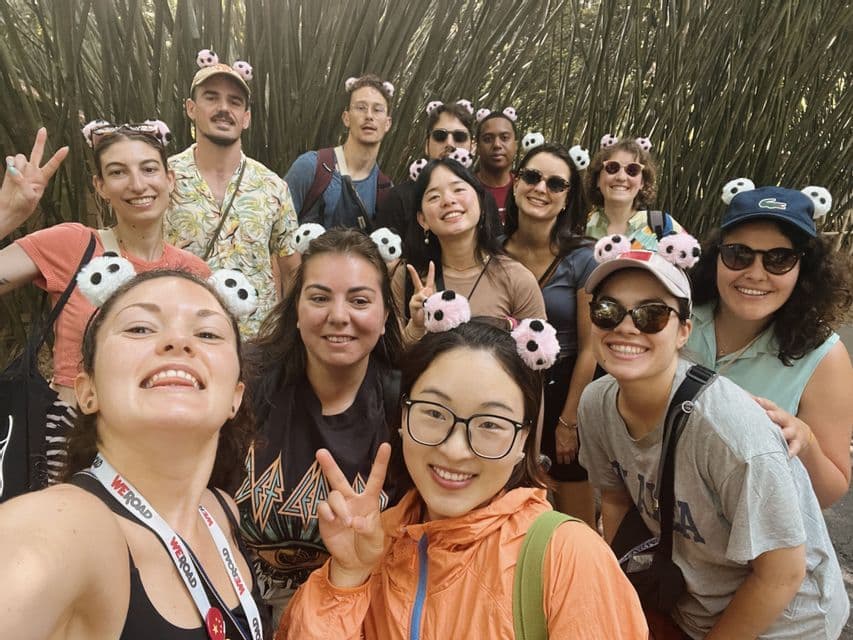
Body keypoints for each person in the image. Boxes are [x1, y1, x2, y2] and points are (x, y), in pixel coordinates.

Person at [279, 318, 648, 639]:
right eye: (434, 413)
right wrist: (347, 577)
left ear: (523, 440)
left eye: (490, 424)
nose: (455, 450)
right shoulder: (376, 541)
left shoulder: (568, 557)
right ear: (402, 417)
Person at [577, 247, 848, 639]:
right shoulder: (596, 404)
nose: (626, 327)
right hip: (690, 599)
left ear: (683, 332)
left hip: (784, 622)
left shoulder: (728, 431)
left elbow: (782, 574)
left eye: (652, 314)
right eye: (608, 311)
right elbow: (617, 501)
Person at [0, 270, 267, 639]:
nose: (178, 341)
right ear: (87, 391)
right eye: (140, 328)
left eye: (207, 334)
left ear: (235, 397)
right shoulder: (65, 526)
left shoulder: (222, 512)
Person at [1, 126, 209, 479]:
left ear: (170, 179)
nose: (137, 184)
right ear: (100, 185)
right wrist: (7, 214)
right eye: (117, 172)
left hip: (159, 441)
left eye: (149, 169)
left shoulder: (193, 272)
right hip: (71, 438)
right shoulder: (74, 244)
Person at [235, 228, 403, 625]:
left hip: (355, 612)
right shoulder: (242, 385)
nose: (338, 316)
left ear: (384, 318)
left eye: (359, 300)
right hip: (239, 606)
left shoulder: (408, 405)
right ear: (296, 309)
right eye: (319, 298)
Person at [686, 183, 853, 508]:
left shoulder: (824, 358)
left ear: (804, 268)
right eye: (739, 254)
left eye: (779, 259)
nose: (755, 274)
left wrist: (805, 441)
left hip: (750, 530)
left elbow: (829, 493)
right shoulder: (677, 317)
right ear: (716, 256)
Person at [164, 54, 300, 336]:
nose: (223, 108)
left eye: (235, 101)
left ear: (246, 117)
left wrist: (288, 338)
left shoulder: (272, 186)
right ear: (191, 108)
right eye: (211, 98)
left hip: (256, 343)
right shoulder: (163, 180)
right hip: (181, 336)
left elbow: (291, 270)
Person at [503, 142, 597, 525]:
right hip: (508, 391)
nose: (541, 188)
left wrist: (568, 422)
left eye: (555, 183)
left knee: (577, 520)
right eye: (532, 177)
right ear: (515, 183)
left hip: (564, 392)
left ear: (566, 198)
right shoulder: (492, 252)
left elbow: (591, 349)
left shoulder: (582, 258)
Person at [394, 157, 545, 343]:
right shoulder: (408, 277)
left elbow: (540, 354)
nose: (448, 200)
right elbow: (390, 356)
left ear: (481, 203)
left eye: (458, 190)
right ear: (422, 219)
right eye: (434, 197)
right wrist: (416, 328)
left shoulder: (517, 278)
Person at [284, 74, 394, 230]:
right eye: (361, 108)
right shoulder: (311, 167)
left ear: (387, 123)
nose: (369, 116)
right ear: (346, 118)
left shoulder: (384, 190)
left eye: (377, 110)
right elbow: (277, 230)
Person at [374, 100, 477, 247]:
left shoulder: (482, 196)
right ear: (427, 145)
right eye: (440, 136)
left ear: (472, 147)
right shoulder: (398, 199)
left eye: (459, 137)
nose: (449, 143)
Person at [584, 136, 683, 249]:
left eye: (632, 170)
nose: (621, 177)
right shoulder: (580, 227)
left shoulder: (662, 225)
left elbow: (692, 257)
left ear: (642, 182)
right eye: (612, 167)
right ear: (597, 179)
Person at [474, 107, 519, 223]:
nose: (497, 145)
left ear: (516, 145)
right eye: (488, 139)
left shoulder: (526, 188)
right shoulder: (466, 188)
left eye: (504, 138)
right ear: (477, 147)